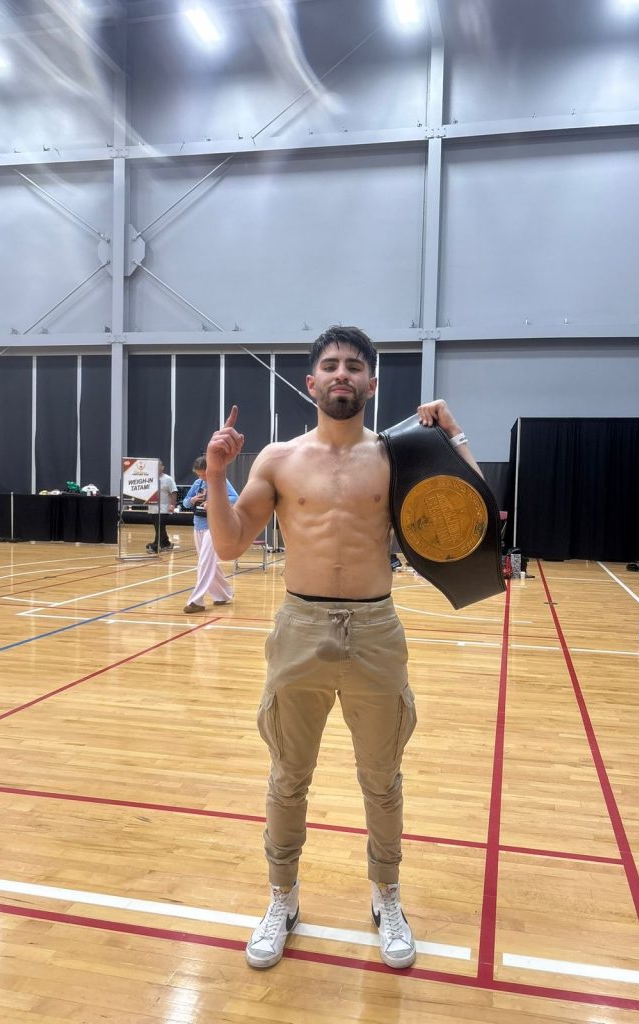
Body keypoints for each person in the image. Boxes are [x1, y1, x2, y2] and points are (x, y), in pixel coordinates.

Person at [206, 325, 480, 972]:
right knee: (287, 777)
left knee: (381, 780)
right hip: (299, 629)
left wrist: (456, 435)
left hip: (375, 632)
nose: (341, 374)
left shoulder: (397, 455)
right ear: (311, 382)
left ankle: (387, 896)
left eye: (354, 366)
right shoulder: (278, 458)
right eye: (330, 365)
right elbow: (231, 544)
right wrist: (216, 474)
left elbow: (472, 518)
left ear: (372, 383)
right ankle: (282, 898)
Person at [181, 456, 238, 613]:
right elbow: (185, 502)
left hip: (214, 527)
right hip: (198, 526)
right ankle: (223, 594)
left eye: (203, 474)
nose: (201, 477)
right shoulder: (197, 484)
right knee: (207, 562)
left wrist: (213, 502)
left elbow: (235, 498)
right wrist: (192, 500)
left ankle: (197, 601)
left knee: (204, 563)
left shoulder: (221, 482)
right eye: (198, 474)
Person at [146, 461, 177, 553]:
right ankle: (166, 543)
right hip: (152, 508)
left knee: (159, 526)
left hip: (164, 508)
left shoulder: (168, 479)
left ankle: (156, 546)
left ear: (162, 467)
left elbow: (174, 492)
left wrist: (172, 505)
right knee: (159, 527)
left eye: (158, 466)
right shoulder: (149, 478)